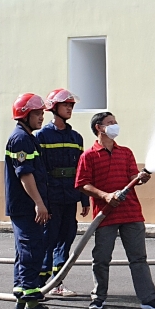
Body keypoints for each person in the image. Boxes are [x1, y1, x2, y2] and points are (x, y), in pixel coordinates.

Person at [76, 112, 155, 309]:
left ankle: (148, 299)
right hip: (105, 215)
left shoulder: (125, 153)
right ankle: (98, 298)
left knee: (138, 258)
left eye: (115, 122)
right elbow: (82, 184)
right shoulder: (88, 156)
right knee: (101, 258)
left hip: (131, 213)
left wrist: (141, 178)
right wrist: (105, 196)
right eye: (110, 123)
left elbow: (133, 177)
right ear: (99, 127)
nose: (115, 125)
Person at [5, 93, 56, 309]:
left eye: (42, 113)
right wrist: (39, 203)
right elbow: (25, 175)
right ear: (24, 115)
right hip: (26, 207)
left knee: (24, 250)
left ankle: (21, 297)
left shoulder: (28, 137)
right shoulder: (21, 140)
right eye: (37, 114)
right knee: (31, 251)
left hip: (25, 206)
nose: (41, 118)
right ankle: (32, 303)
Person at [36, 88, 89, 297]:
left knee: (66, 239)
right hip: (51, 198)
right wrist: (41, 202)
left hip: (70, 196)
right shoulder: (42, 136)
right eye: (66, 105)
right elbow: (39, 172)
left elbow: (81, 171)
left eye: (71, 105)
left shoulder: (76, 137)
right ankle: (39, 283)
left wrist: (84, 198)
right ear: (53, 108)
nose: (70, 108)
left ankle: (58, 283)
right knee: (48, 239)